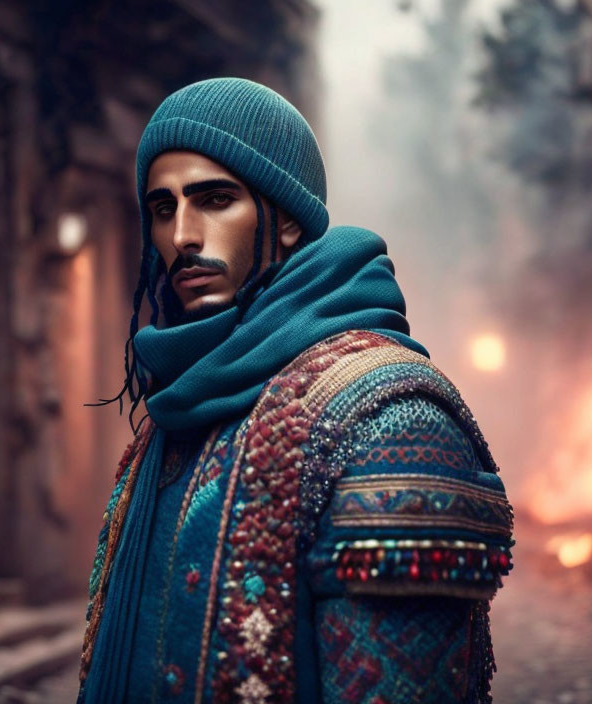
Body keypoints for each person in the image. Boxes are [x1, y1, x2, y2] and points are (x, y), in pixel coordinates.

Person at [78, 77, 513, 704]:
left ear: (285, 220)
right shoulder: (174, 412)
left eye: (216, 199)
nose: (182, 237)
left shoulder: (392, 417)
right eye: (164, 208)